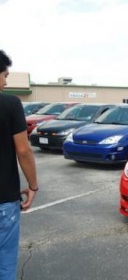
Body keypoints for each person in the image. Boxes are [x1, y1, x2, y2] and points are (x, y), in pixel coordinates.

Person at [0, 50, 38, 280]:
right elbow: (23, 150)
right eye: (4, 75)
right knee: (5, 262)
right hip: (4, 201)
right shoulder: (10, 104)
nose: (5, 81)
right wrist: (33, 186)